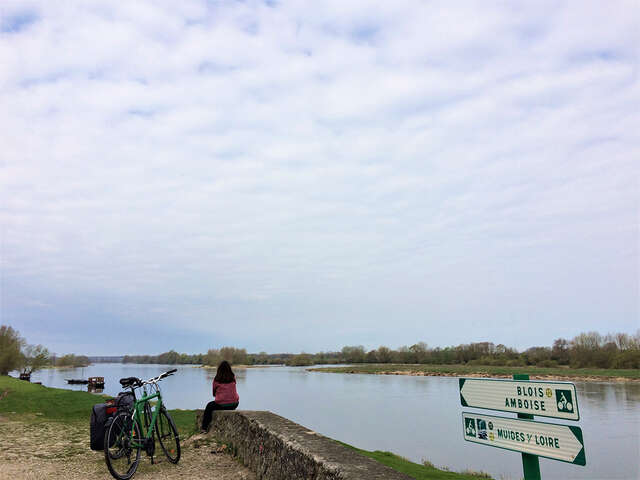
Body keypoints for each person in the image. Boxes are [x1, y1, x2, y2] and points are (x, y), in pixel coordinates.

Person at [201, 360, 239, 432]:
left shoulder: (217, 379)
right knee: (221, 403)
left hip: (222, 404)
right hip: (234, 404)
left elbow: (214, 394)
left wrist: (221, 396)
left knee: (209, 406)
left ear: (219, 369)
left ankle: (204, 428)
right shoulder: (233, 377)